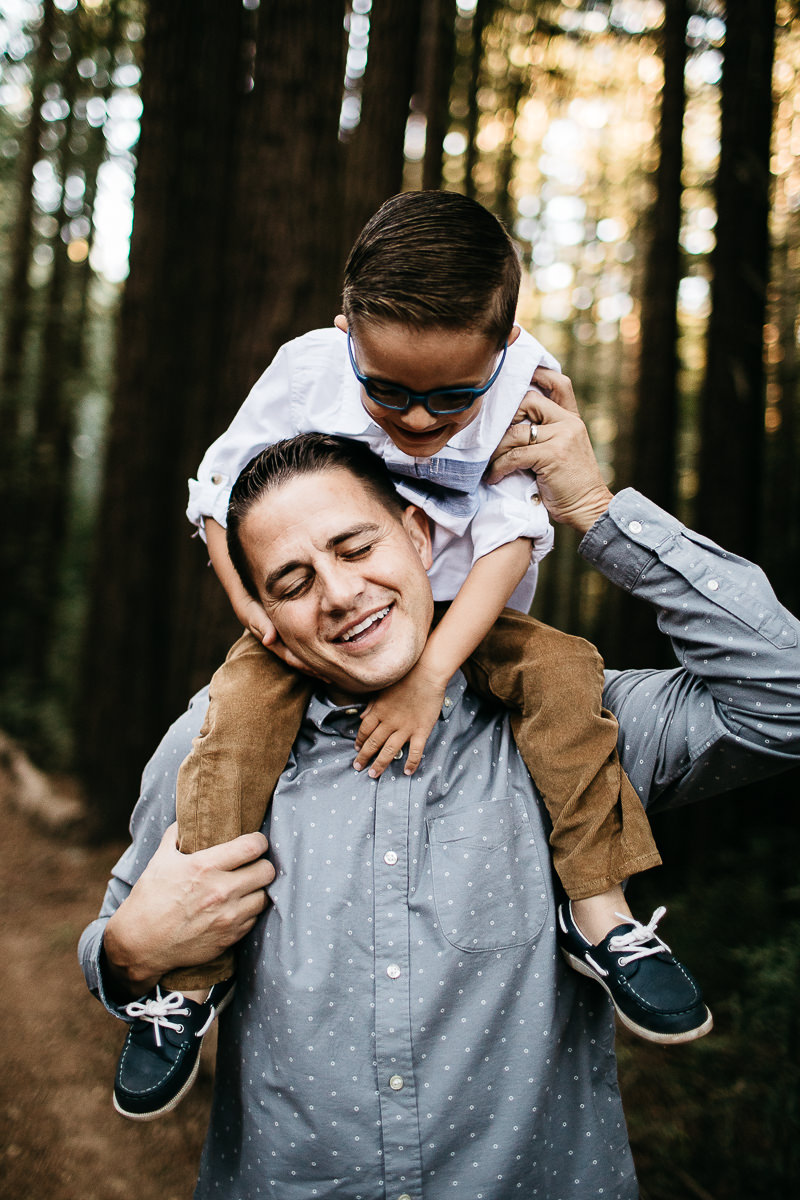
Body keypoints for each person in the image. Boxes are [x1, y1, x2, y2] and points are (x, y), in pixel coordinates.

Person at [80, 416, 800, 1198]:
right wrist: (127, 951)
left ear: (419, 537)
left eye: (357, 548)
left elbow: (785, 695)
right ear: (265, 619)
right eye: (292, 583)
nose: (341, 594)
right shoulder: (208, 748)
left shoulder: (580, 725)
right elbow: (118, 937)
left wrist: (595, 510)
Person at [112, 193, 702, 1122]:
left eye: (451, 396)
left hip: (465, 615)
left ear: (504, 347)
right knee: (235, 723)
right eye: (388, 391)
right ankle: (188, 981)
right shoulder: (306, 369)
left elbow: (510, 539)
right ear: (347, 335)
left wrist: (431, 677)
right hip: (316, 619)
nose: (420, 419)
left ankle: (602, 911)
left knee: (564, 675)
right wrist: (249, 602)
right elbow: (219, 485)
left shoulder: (526, 389)